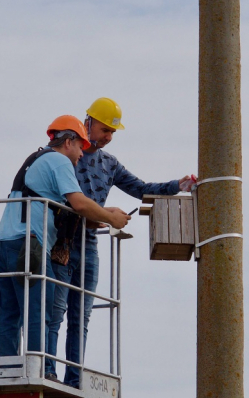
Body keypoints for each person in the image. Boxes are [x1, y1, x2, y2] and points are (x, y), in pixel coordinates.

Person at [45, 98, 197, 387]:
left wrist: (177, 186)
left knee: (81, 315)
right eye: (106, 130)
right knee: (56, 309)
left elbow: (141, 189)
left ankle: (74, 378)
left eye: (113, 132)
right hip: (60, 240)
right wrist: (104, 214)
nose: (109, 137)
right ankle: (49, 370)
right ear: (88, 123)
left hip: (87, 244)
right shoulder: (62, 154)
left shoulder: (108, 164)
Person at [0, 115, 131, 370]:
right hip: (30, 245)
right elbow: (79, 202)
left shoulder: (35, 159)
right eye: (80, 147)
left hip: (3, 243)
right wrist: (111, 218)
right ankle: (39, 370)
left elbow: (71, 208)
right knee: (38, 311)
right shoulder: (59, 161)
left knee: (9, 315)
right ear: (68, 142)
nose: (82, 155)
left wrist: (102, 212)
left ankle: (8, 370)